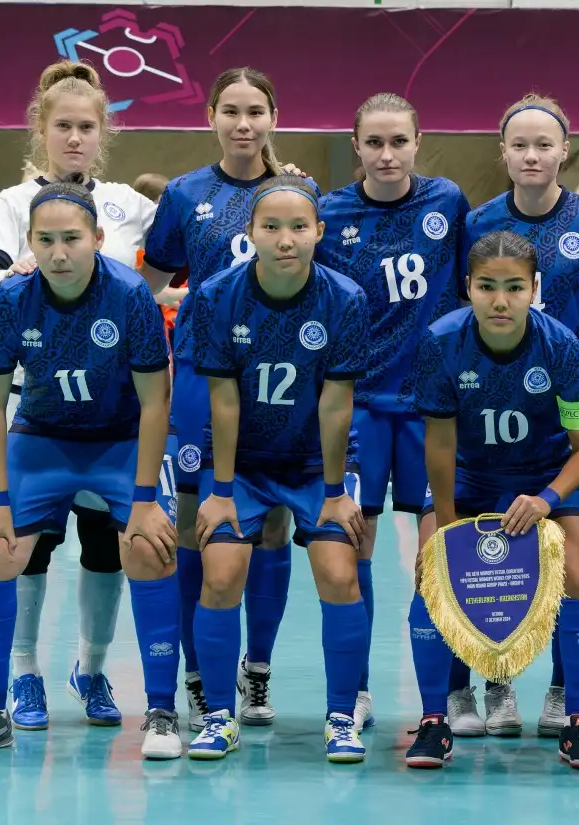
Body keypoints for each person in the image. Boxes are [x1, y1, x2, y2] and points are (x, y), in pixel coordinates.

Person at [0, 181, 182, 760]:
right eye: (45, 240)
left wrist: (145, 500)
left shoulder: (130, 294)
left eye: (71, 238)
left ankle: (161, 711)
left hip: (119, 440)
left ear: (97, 238)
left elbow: (156, 402)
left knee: (150, 547)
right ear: (29, 241)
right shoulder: (11, 299)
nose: (58, 253)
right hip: (42, 438)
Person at [0, 61, 158, 733]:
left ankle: (90, 667)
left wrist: (282, 177)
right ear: (40, 131)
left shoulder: (129, 205)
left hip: (114, 414)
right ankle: (23, 671)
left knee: (107, 549)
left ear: (102, 134)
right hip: (39, 410)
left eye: (86, 127)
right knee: (32, 548)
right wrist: (11, 281)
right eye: (62, 126)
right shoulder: (12, 203)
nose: (75, 138)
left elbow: (203, 233)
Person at [143, 68, 310, 731]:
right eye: (231, 111)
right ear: (210, 115)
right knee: (195, 523)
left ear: (274, 117)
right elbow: (145, 284)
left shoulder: (298, 191)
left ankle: (257, 670)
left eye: (256, 111)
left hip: (279, 380)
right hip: (200, 376)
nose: (244, 124)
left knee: (272, 523)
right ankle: (198, 671)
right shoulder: (185, 195)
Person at [185, 175, 371, 763]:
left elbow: (337, 403)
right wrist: (220, 491)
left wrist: (336, 492)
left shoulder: (345, 298)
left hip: (315, 463)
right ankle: (219, 715)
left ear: (319, 231)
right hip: (242, 463)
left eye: (298, 227)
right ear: (251, 233)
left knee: (339, 574)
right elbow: (223, 400)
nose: (285, 239)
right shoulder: (217, 296)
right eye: (271, 227)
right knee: (221, 573)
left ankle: (341, 716)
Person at [405, 231, 579, 770]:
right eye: (487, 287)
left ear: (534, 289)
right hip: (468, 480)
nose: (500, 301)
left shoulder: (562, 346)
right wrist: (446, 528)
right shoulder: (441, 342)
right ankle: (435, 719)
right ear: (467, 287)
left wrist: (547, 498)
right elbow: (440, 444)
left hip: (545, 479)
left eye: (515, 287)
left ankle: (578, 720)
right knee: (430, 569)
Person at [456, 95, 579, 738]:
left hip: (570, 410)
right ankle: (496, 683)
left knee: (571, 562)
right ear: (503, 153)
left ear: (565, 151)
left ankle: (562, 690)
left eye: (543, 144)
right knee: (492, 555)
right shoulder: (478, 222)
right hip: (493, 411)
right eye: (519, 145)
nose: (531, 155)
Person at [317, 92, 470, 732]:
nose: (386, 154)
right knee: (355, 548)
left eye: (398, 141)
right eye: (374, 142)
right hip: (356, 407)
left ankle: (448, 696)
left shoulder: (448, 202)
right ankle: (355, 691)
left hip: (432, 409)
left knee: (440, 555)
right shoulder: (328, 212)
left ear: (417, 142)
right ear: (356, 145)